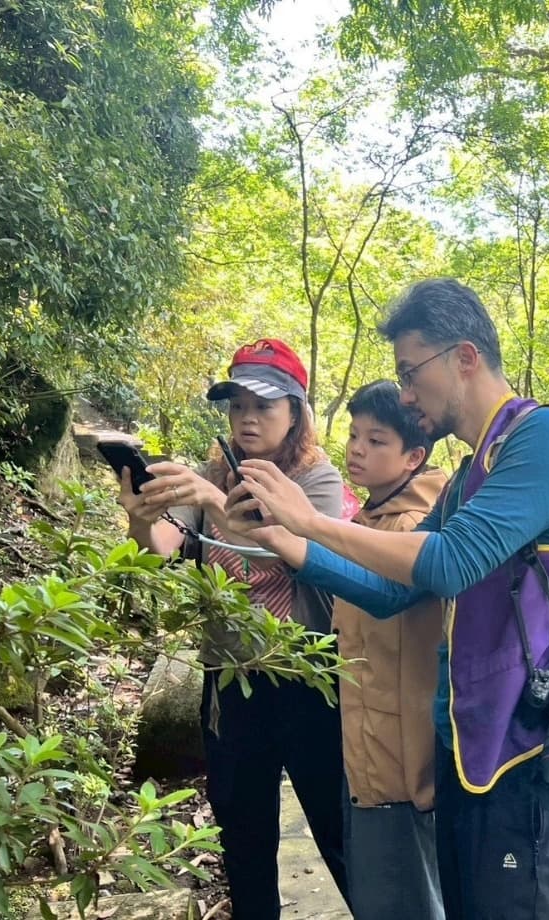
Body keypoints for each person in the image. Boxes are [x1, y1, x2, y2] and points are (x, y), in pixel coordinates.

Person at [223, 280, 549, 920]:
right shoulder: (470, 474)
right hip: (467, 751)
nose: (405, 393)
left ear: (464, 357)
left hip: (526, 756)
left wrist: (314, 521)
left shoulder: (543, 437)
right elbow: (392, 593)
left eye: (411, 372)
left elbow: (453, 562)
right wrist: (282, 538)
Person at [115, 338, 350, 919]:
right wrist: (139, 517)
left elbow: (290, 551)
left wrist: (215, 503)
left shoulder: (316, 481)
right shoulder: (211, 472)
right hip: (230, 680)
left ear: (297, 412)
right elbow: (162, 550)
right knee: (243, 835)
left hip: (306, 677)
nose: (246, 416)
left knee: (337, 830)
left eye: (263, 405)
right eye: (236, 403)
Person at [335, 381, 448, 920]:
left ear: (414, 456)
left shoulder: (407, 534)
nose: (357, 449)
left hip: (402, 769)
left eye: (376, 440)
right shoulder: (369, 523)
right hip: (372, 756)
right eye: (355, 435)